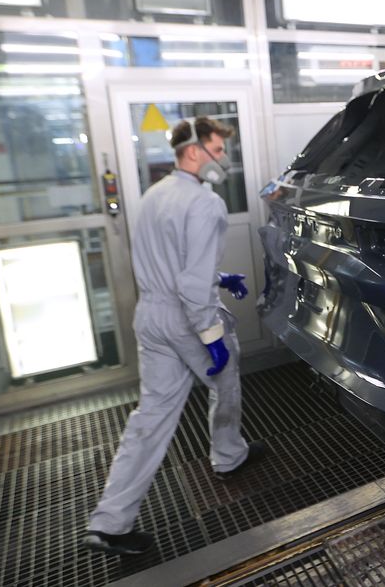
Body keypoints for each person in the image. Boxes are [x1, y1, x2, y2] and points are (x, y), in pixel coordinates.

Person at [82, 116, 266, 555]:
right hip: (186, 318)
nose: (224, 159)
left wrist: (217, 277)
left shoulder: (152, 195)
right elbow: (189, 283)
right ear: (194, 150)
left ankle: (109, 521)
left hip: (151, 315)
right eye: (218, 151)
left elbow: (170, 263)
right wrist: (211, 334)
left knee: (151, 416)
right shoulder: (206, 203)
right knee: (225, 377)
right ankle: (227, 456)